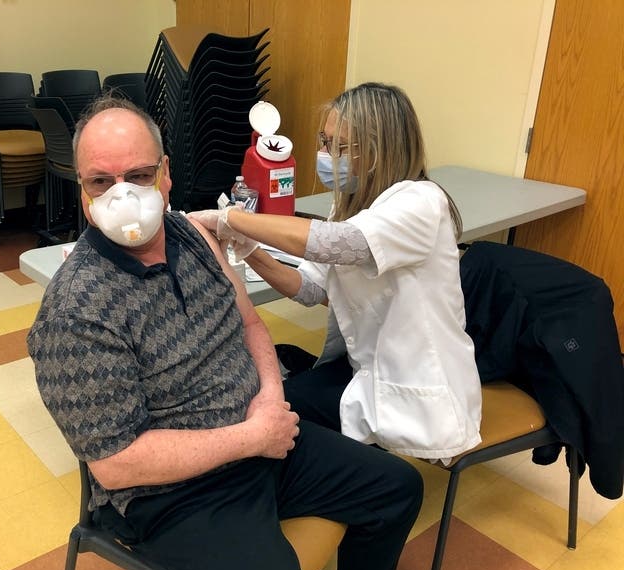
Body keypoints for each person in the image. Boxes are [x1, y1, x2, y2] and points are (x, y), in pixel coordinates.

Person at [27, 95, 423, 570]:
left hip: (261, 438)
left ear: (166, 173)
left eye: (140, 176)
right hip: (176, 493)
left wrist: (270, 399)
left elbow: (252, 324)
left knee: (396, 490)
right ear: (82, 191)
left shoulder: (192, 235)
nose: (122, 196)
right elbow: (116, 462)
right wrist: (253, 436)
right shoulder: (76, 312)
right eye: (101, 182)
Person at [189, 82, 482, 463]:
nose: (325, 155)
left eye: (339, 146)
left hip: (419, 389)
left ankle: (333, 486)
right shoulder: (351, 207)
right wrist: (249, 249)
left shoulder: (421, 202)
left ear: (380, 148)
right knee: (270, 376)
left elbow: (338, 243)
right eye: (324, 141)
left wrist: (234, 218)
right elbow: (310, 287)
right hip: (369, 368)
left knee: (278, 410)